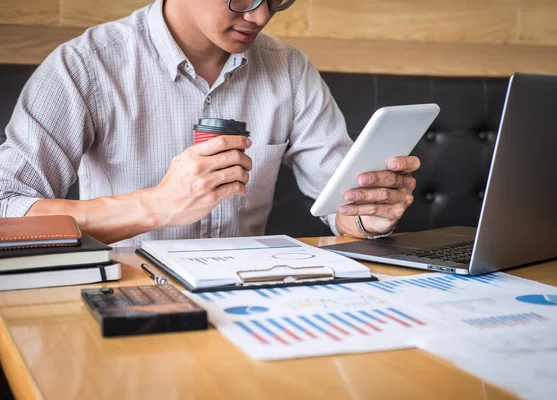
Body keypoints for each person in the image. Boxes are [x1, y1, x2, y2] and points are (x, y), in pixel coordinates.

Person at [0, 0, 419, 246]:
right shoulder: (85, 65)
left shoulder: (289, 69)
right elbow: (6, 209)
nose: (261, 17)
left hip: (252, 301)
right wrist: (155, 205)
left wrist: (368, 215)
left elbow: (342, 210)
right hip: (126, 297)